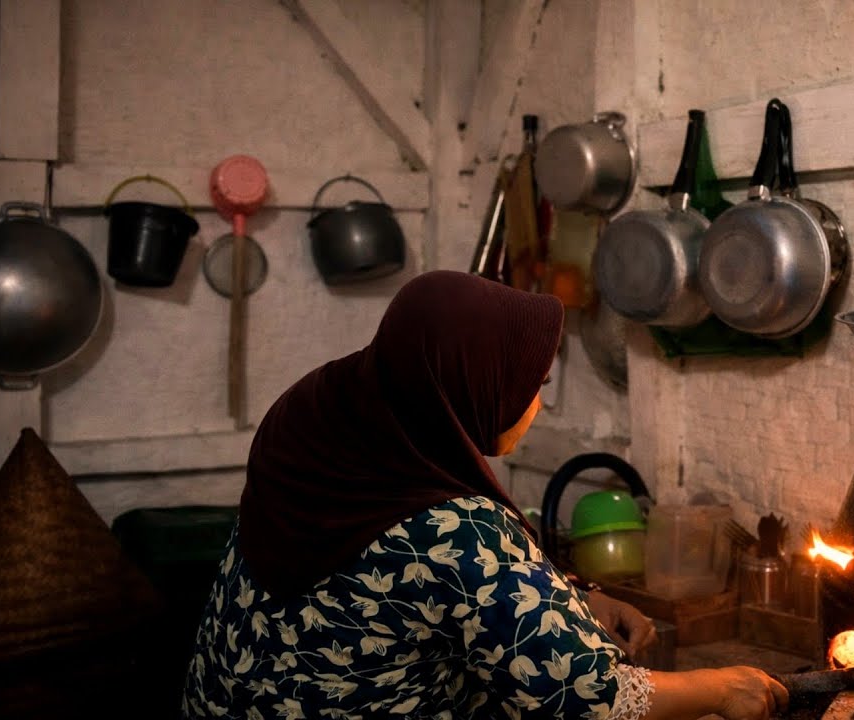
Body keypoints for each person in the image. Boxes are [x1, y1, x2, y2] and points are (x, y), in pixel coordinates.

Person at [182, 271, 788, 720]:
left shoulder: (319, 414)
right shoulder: (455, 529)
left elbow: (396, 582)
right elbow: (586, 697)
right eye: (533, 385)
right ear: (469, 383)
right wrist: (723, 686)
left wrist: (575, 597)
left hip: (227, 699)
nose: (538, 404)